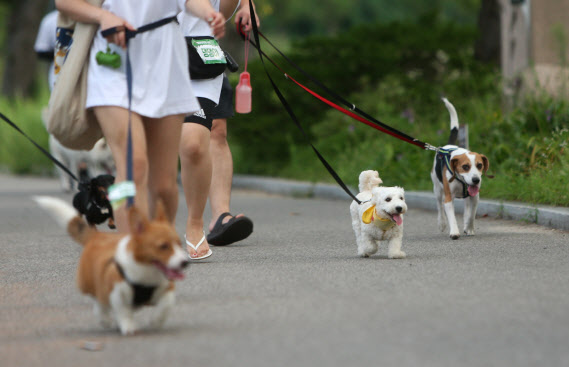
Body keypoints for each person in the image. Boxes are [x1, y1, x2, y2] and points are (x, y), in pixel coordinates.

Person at [54, 0, 225, 232]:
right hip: (111, 59)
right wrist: (101, 16)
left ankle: (158, 249)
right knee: (134, 166)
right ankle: (132, 252)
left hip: (165, 58)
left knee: (164, 185)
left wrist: (208, 14)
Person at [205, 0, 259, 246]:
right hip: (155, 51)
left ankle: (219, 217)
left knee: (216, 131)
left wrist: (246, 6)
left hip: (203, 49)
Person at [178, 0, 227, 260]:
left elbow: (223, 12)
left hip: (198, 58)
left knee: (193, 144)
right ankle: (151, 226)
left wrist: (215, 14)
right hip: (148, 55)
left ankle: (195, 222)